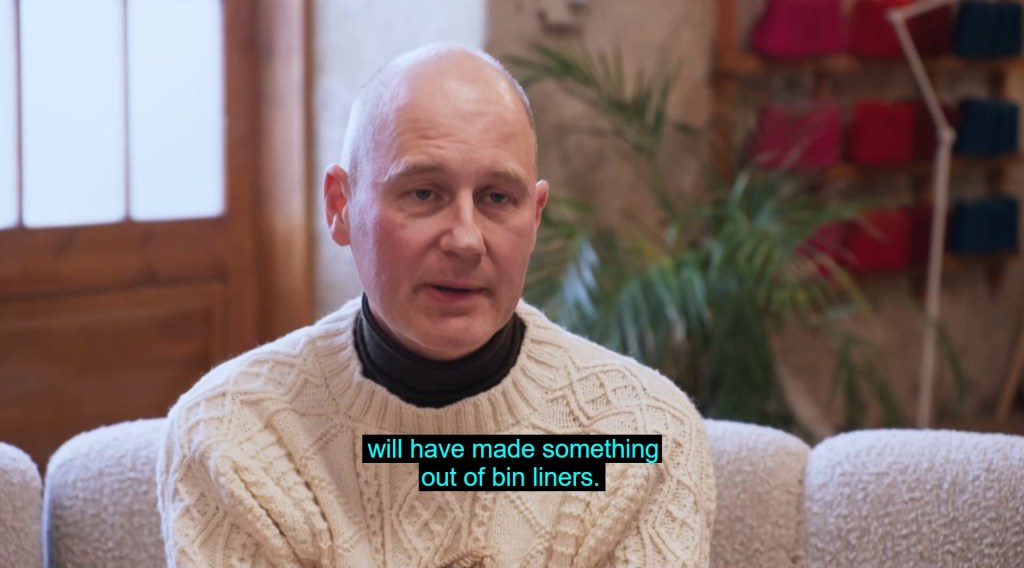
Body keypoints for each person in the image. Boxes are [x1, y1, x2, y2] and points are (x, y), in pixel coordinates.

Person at [157, 43, 715, 567]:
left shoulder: (639, 440)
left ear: (535, 216)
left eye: (497, 197)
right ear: (341, 206)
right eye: (424, 193)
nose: (466, 240)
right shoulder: (235, 433)